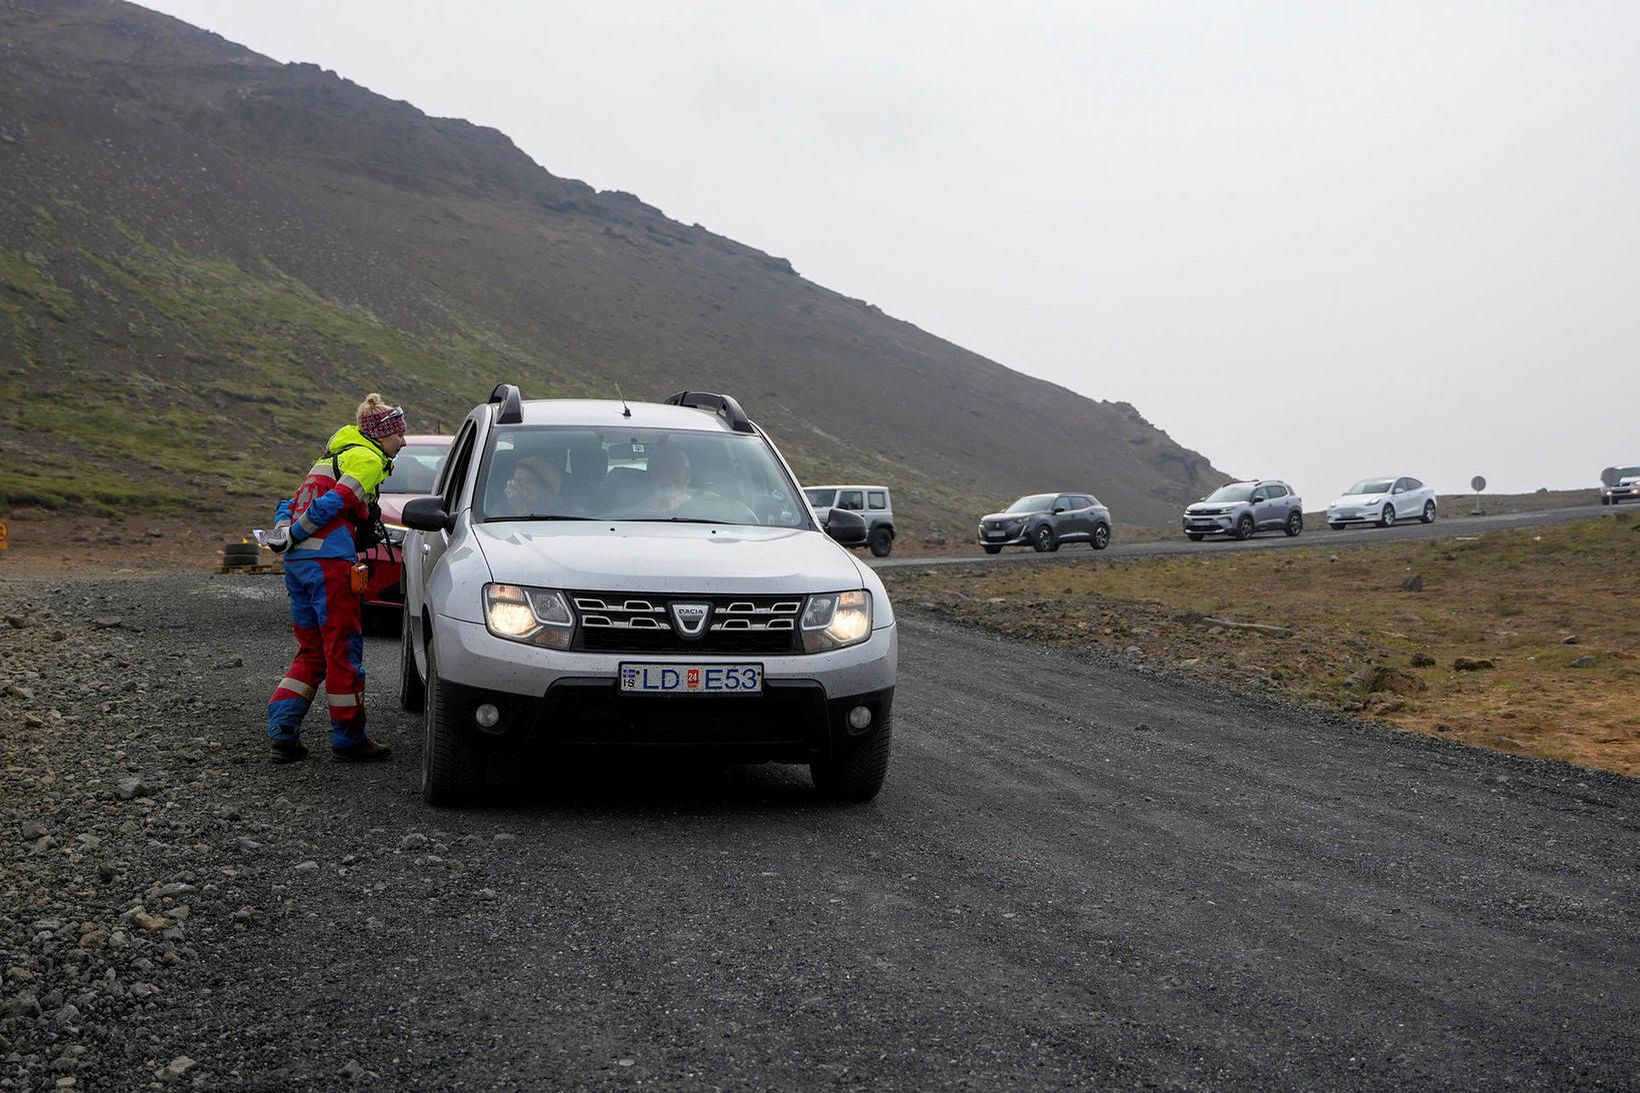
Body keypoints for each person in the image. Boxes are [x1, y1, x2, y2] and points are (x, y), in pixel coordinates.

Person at [261, 393, 407, 764]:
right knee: (342, 649)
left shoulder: (330, 457)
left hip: (297, 565)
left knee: (312, 650)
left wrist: (286, 535)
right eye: (398, 436)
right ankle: (349, 738)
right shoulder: (369, 458)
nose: (402, 442)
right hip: (329, 564)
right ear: (380, 436)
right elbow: (334, 503)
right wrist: (295, 533)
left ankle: (282, 732)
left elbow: (287, 504)